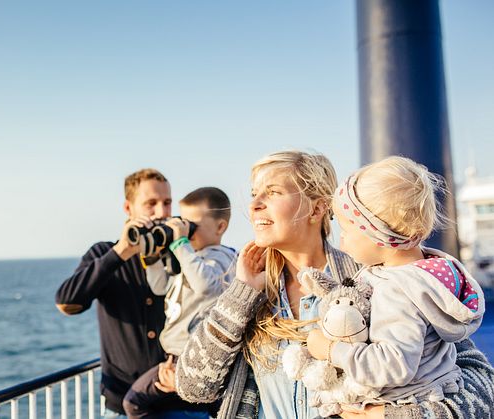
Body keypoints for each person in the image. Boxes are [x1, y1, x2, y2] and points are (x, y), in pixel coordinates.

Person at [174, 150, 494, 418]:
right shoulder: (243, 285)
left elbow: (482, 385)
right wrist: (242, 295)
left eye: (272, 192)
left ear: (317, 207)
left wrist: (396, 416)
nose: (254, 204)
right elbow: (193, 387)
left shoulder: (382, 279)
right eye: (255, 193)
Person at [303, 156, 484, 414]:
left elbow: (393, 364)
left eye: (347, 231)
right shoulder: (428, 272)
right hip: (432, 391)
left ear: (380, 235)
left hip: (402, 402)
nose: (342, 243)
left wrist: (331, 349)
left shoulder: (396, 291)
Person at [55, 168, 171, 417]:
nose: (162, 212)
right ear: (128, 209)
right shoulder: (104, 254)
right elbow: (66, 303)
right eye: (151, 203)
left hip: (180, 403)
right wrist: (121, 252)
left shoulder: (181, 254)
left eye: (167, 203)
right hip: (122, 405)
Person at [123, 187, 237, 418]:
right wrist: (153, 257)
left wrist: (179, 244)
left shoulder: (223, 257)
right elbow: (160, 287)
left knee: (134, 402)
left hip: (193, 357)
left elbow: (206, 286)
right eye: (181, 222)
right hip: (175, 357)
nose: (185, 230)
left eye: (191, 224)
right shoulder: (192, 260)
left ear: (220, 227)